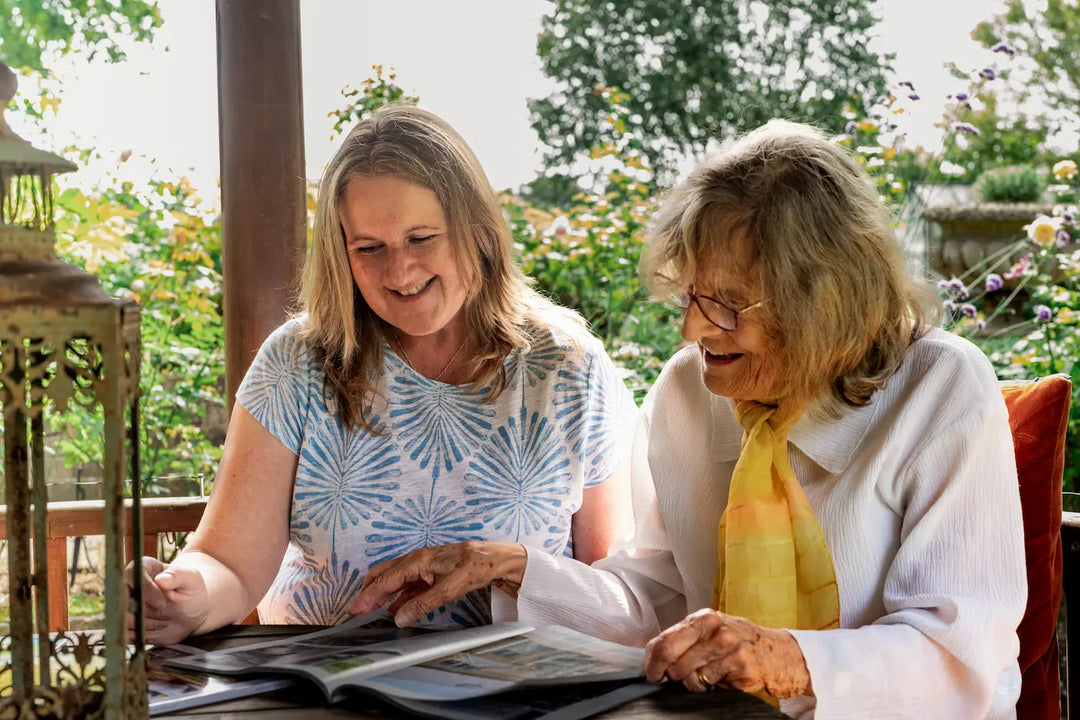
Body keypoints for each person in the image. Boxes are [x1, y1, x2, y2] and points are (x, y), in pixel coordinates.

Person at [350, 120, 1027, 718]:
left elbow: (959, 655)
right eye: (693, 295)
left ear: (827, 300)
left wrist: (786, 658)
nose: (694, 329)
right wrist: (513, 567)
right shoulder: (688, 392)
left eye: (730, 303)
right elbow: (662, 601)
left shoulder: (940, 385)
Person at [129, 105, 637, 644]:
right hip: (324, 687)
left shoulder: (568, 369)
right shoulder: (297, 362)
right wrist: (187, 595)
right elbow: (227, 563)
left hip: (515, 695)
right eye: (368, 248)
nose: (399, 272)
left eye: (421, 238)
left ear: (479, 231)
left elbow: (616, 594)